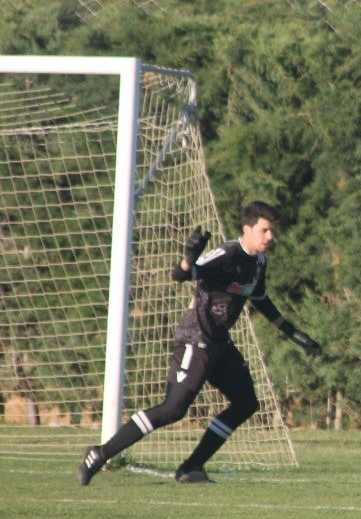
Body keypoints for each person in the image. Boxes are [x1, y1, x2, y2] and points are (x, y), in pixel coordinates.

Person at [78, 200, 321, 485]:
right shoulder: (227, 254)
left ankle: (192, 467)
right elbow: (180, 275)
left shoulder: (259, 262)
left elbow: (261, 300)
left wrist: (294, 334)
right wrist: (188, 258)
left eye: (272, 231)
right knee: (173, 410)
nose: (270, 237)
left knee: (245, 403)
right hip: (196, 339)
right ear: (248, 229)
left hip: (220, 344)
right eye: (265, 230)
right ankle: (100, 453)